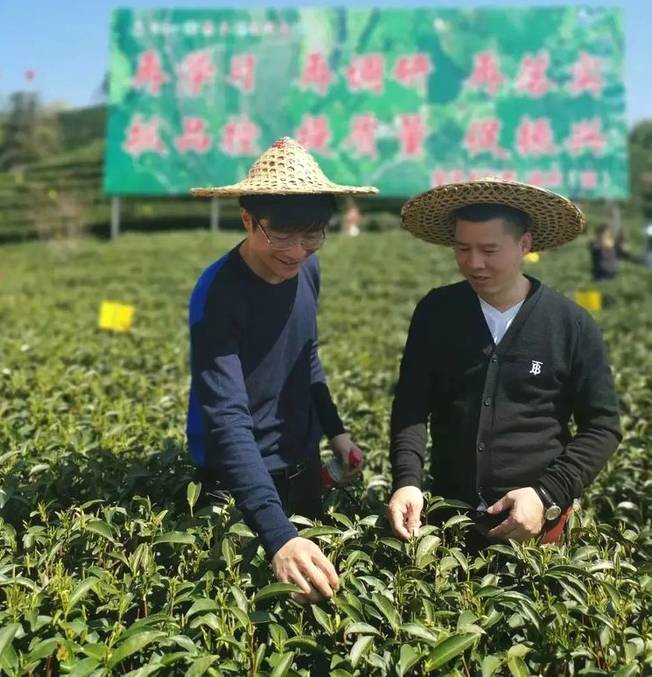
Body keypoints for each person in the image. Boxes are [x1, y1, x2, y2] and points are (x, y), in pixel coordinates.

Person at [187, 137, 376, 603]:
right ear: (248, 220)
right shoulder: (217, 293)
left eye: (312, 235)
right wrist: (277, 535)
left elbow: (305, 357)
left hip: (300, 461)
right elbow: (226, 416)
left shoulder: (308, 270)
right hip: (237, 476)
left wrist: (336, 432)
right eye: (282, 235)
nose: (296, 251)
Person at [388, 179, 622, 549]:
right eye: (462, 248)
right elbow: (411, 406)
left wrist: (546, 494)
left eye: (489, 250)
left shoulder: (571, 324)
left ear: (524, 245)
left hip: (539, 528)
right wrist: (407, 481)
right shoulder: (437, 312)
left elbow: (602, 426)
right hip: (449, 521)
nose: (473, 263)